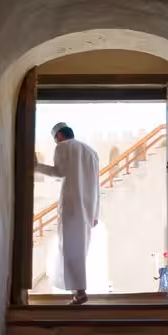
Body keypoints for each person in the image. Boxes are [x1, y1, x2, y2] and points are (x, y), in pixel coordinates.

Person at [35, 122, 100, 305]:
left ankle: (79, 292)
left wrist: (37, 167)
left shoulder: (63, 147)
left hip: (71, 206)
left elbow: (59, 171)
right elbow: (97, 183)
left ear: (60, 136)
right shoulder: (90, 151)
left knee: (69, 249)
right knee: (80, 249)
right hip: (88, 209)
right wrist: (96, 213)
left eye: (55, 140)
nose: (56, 143)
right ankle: (78, 291)